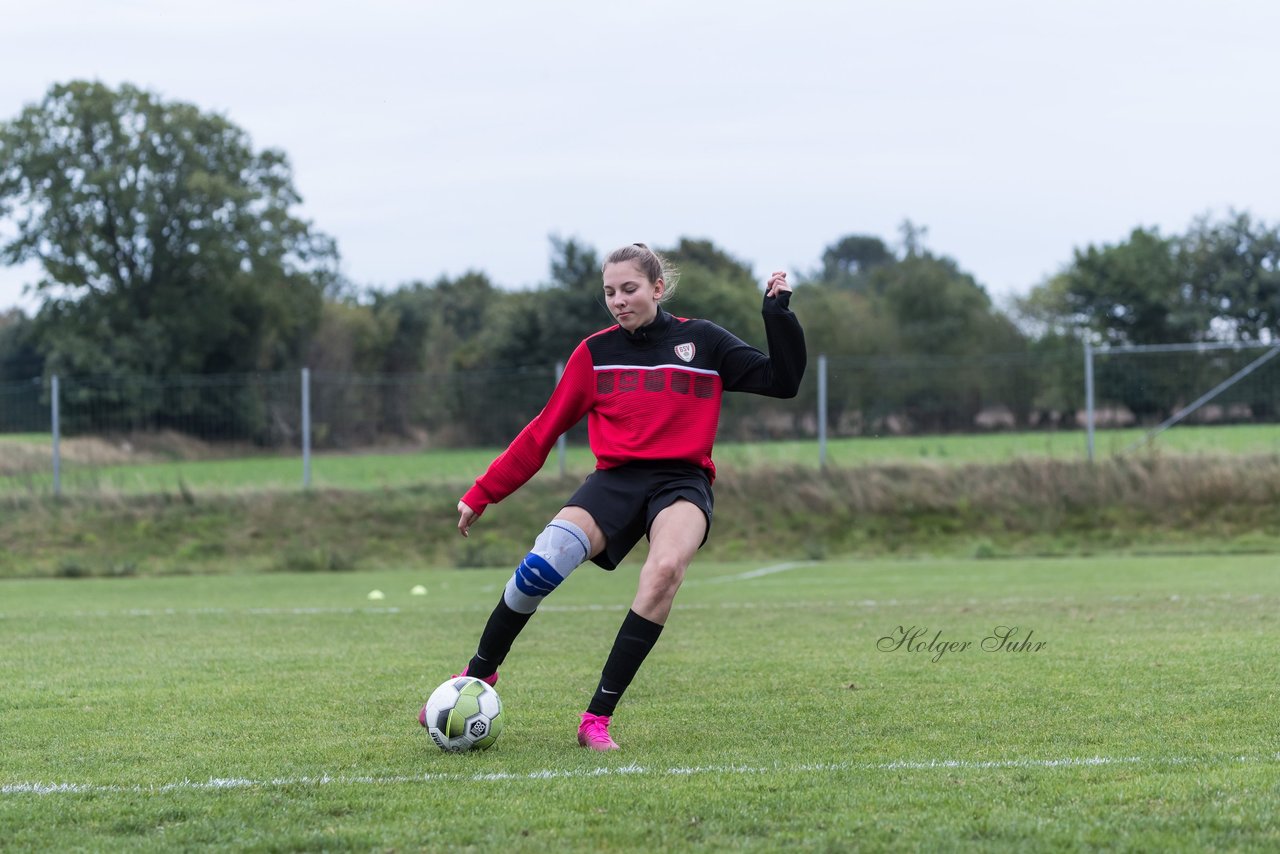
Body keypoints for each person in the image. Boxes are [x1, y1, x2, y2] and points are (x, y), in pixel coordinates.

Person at [434, 242, 806, 750]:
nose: (618, 300)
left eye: (629, 289)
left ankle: (596, 720)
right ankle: (476, 676)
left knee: (664, 573)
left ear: (657, 288)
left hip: (681, 481)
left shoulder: (703, 342)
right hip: (615, 480)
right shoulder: (595, 353)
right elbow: (543, 431)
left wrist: (776, 315)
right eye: (609, 292)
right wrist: (483, 492)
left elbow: (783, 381)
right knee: (546, 560)